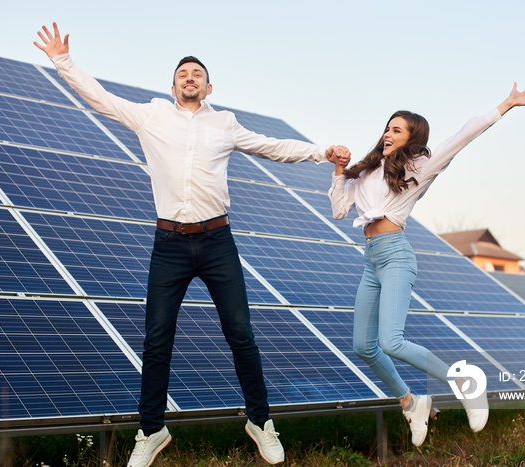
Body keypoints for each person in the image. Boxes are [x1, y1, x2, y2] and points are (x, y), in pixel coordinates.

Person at [34, 22, 350, 466]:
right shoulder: (151, 115)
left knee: (241, 333)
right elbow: (100, 98)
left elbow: (273, 147)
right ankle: (151, 431)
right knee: (157, 339)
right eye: (183, 73)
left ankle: (261, 423)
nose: (189, 77)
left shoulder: (225, 124)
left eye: (197, 73)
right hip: (170, 244)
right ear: (172, 84)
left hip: (218, 241)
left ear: (208, 86)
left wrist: (321, 151)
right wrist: (63, 60)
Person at [328, 84, 525, 447]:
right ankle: (412, 402)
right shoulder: (366, 172)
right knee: (363, 346)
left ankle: (466, 384)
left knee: (390, 341)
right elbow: (338, 210)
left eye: (396, 129)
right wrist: (338, 171)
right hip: (371, 260)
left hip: (396, 256)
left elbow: (462, 136)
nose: (387, 134)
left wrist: (504, 105)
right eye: (386, 127)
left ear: (412, 137)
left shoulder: (419, 167)